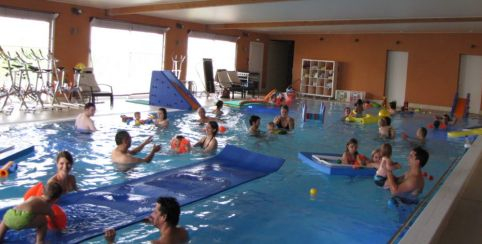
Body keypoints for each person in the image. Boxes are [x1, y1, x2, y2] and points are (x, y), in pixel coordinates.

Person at [104, 197, 189, 244]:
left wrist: (111, 241)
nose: (151, 214)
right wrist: (154, 220)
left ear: (164, 217)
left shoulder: (156, 243)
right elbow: (169, 225)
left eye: (155, 212)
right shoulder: (182, 232)